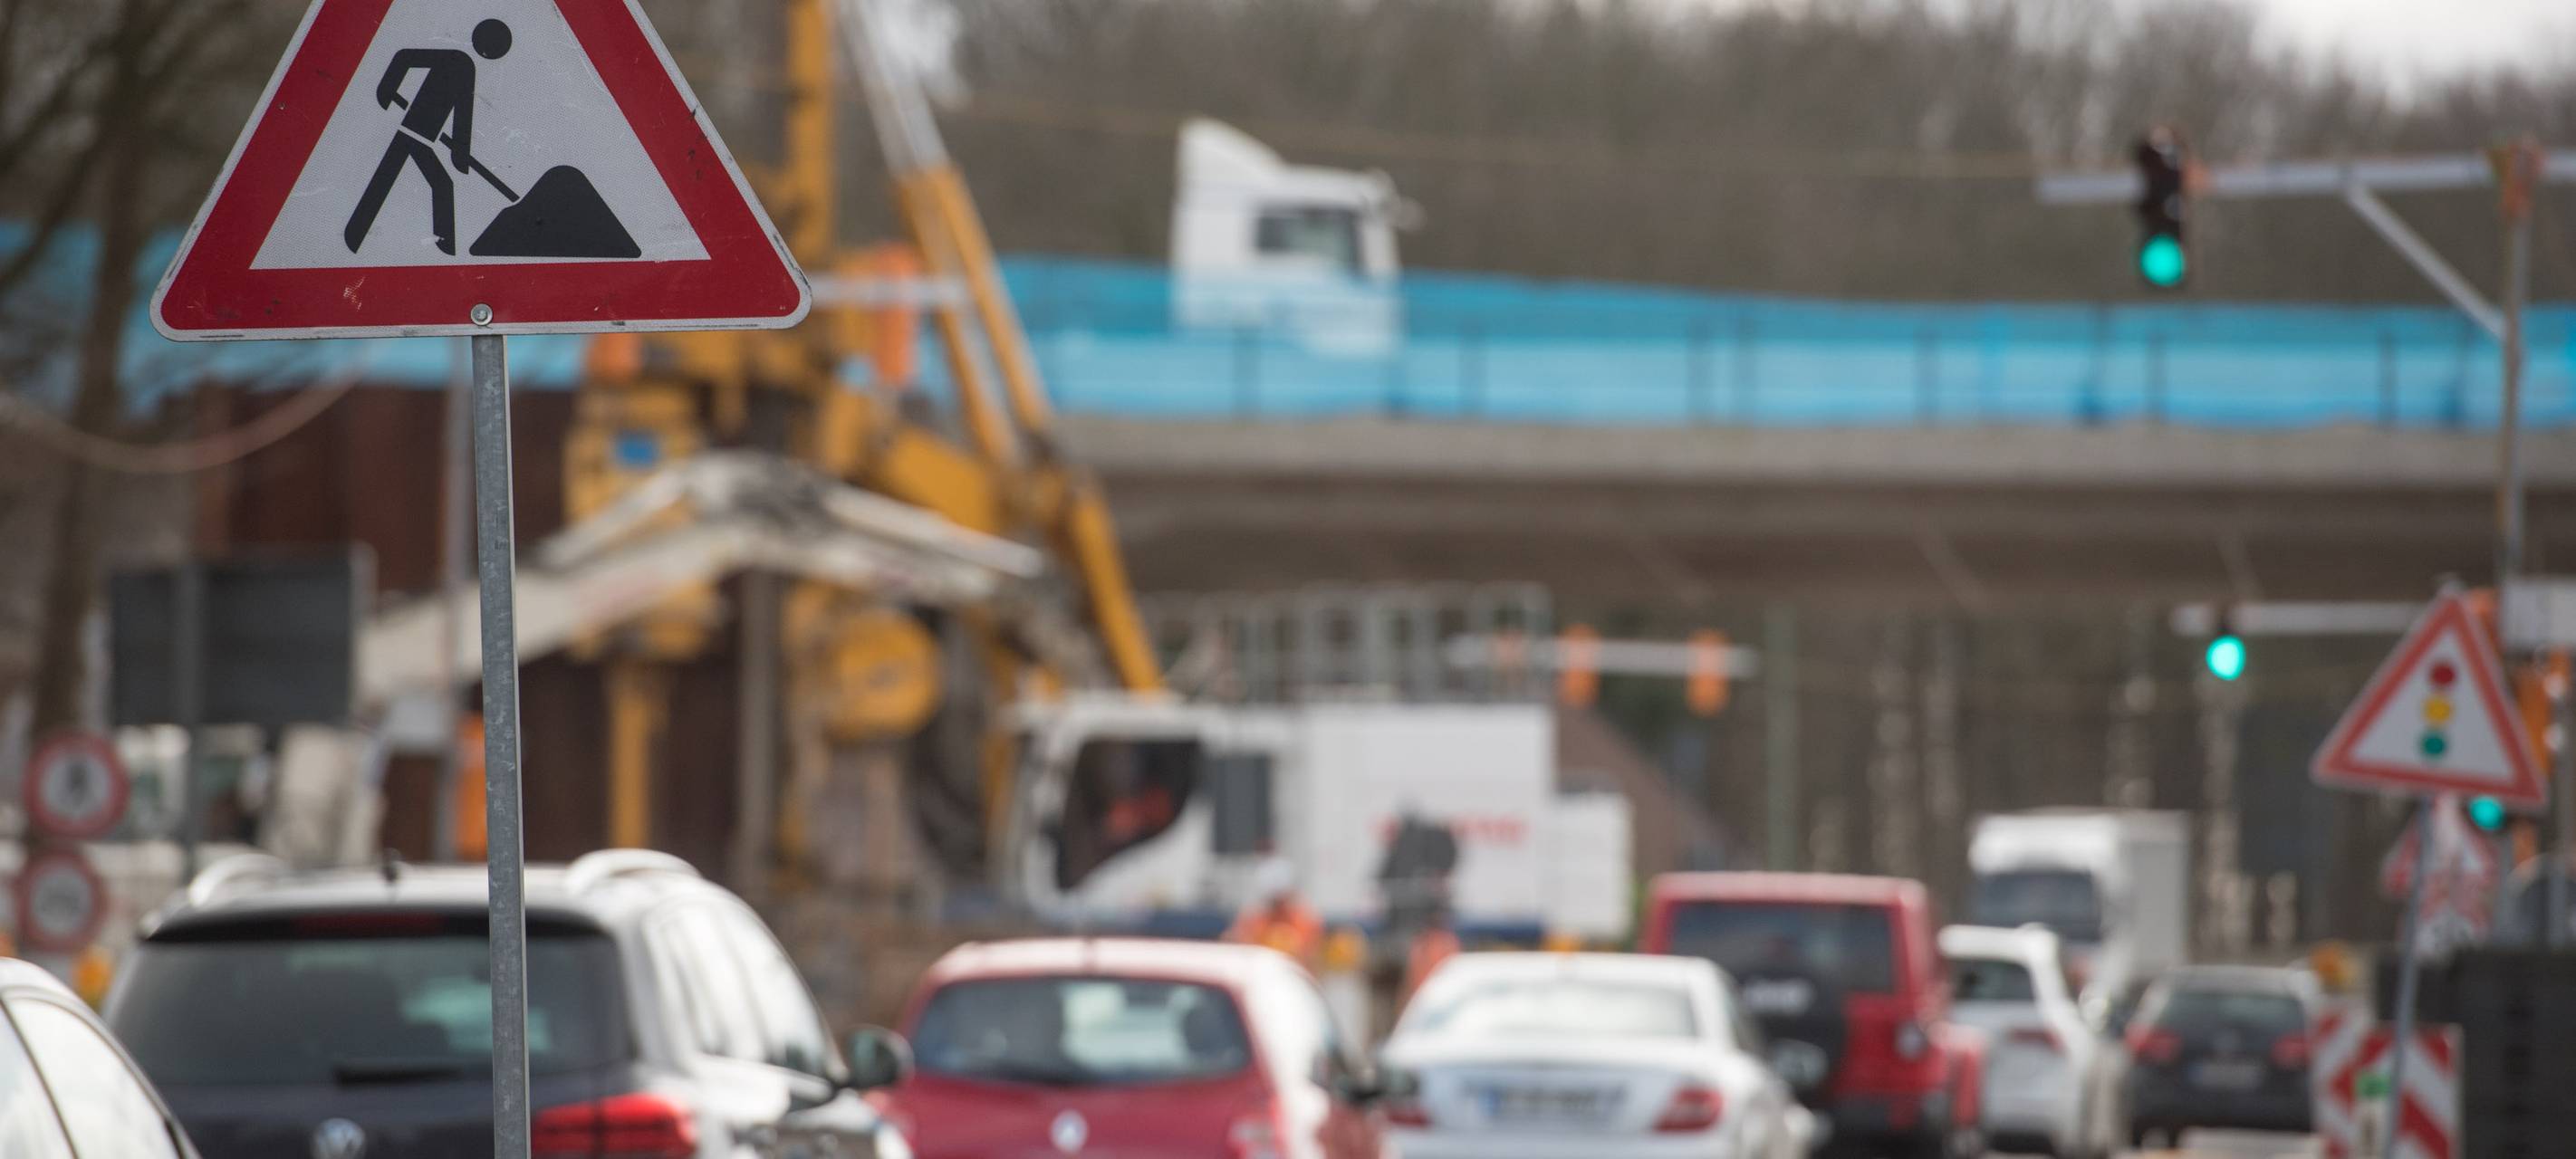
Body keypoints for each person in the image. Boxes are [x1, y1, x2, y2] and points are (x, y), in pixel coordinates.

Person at [344, 19, 513, 255]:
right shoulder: (458, 60)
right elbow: (405, 58)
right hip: (411, 134)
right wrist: (386, 89)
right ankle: (444, 249)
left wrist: (459, 155)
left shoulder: (465, 67)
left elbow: (463, 116)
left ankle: (355, 235)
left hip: (422, 139)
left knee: (393, 179)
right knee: (421, 182)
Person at [1226, 858, 1322, 968]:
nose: (1278, 906)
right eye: (1274, 901)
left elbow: (1311, 956)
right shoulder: (1253, 920)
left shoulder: (1304, 920)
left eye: (1280, 900)